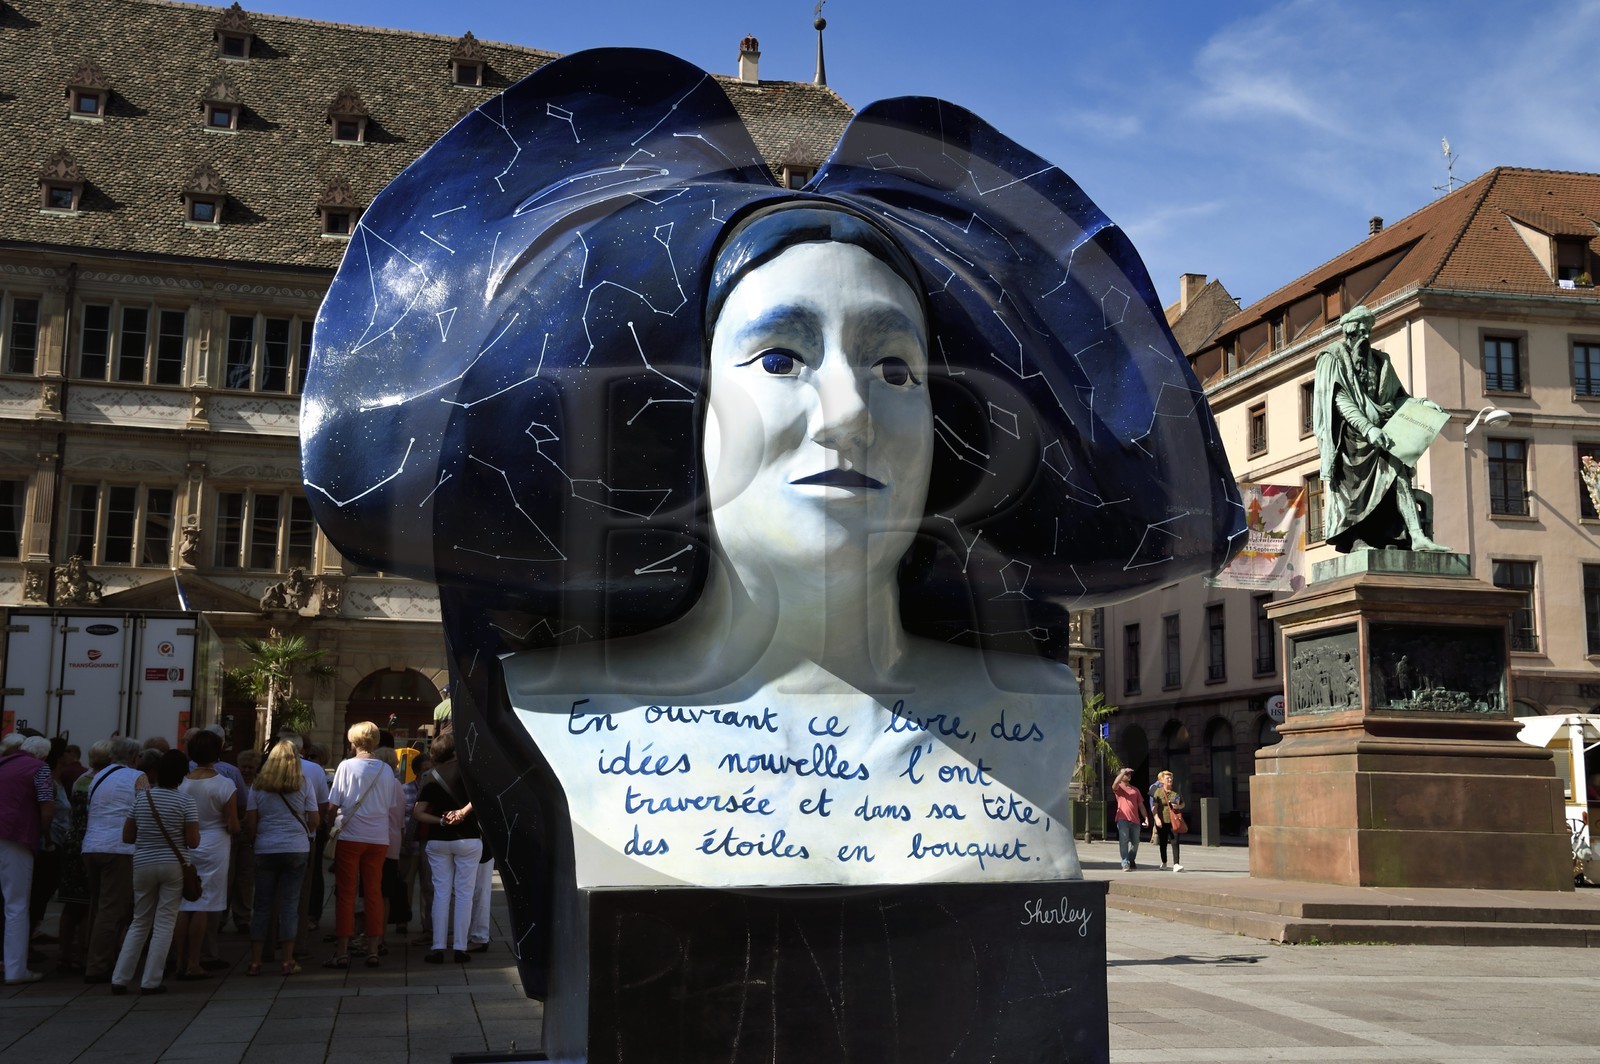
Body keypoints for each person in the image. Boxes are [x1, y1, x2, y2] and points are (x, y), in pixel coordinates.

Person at [302, 49, 1243, 998]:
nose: (848, 411)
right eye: (783, 358)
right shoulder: (558, 709)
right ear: (688, 413)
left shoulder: (1026, 714)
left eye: (894, 368)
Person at [1312, 305, 1448, 553]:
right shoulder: (1332, 357)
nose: (1365, 335)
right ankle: (1356, 538)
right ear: (1349, 331)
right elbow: (1340, 400)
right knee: (1354, 491)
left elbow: (1398, 397)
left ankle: (1416, 536)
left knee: (1398, 474)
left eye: (1368, 330)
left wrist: (1422, 403)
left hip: (1383, 432)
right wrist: (1368, 428)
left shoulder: (1381, 362)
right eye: (1360, 330)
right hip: (1350, 440)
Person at [109, 749, 197, 996]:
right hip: (173, 865)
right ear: (182, 775)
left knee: (139, 920)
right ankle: (151, 981)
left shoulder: (142, 799)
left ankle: (120, 978)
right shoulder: (186, 802)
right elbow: (194, 841)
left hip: (143, 863)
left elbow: (127, 836)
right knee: (165, 922)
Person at [324, 721, 401, 969]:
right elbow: (389, 805)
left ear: (353, 741)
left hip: (351, 835)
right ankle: (373, 948)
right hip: (378, 838)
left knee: (346, 893)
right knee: (374, 892)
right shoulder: (386, 770)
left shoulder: (346, 766)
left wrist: (330, 824)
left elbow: (333, 804)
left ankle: (342, 950)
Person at [244, 740, 319, 977]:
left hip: (265, 848)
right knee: (289, 905)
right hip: (296, 848)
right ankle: (287, 960)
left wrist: (257, 840)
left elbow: (251, 823)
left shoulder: (258, 786)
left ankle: (255, 961)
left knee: (262, 905)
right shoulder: (303, 783)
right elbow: (314, 820)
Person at [173, 729, 237, 979]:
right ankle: (194, 961)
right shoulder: (224, 784)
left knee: (184, 902)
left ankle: (179, 960)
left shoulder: (182, 783)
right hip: (214, 846)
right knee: (203, 903)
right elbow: (232, 824)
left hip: (187, 844)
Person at [82, 735, 144, 984]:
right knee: (112, 909)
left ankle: (94, 956)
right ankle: (98, 965)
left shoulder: (99, 775)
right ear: (134, 757)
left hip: (92, 845)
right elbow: (145, 809)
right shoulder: (137, 777)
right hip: (119, 848)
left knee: (98, 907)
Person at [413, 733, 479, 963]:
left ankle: (438, 946)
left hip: (438, 839)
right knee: (464, 893)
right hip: (468, 838)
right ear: (455, 751)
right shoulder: (468, 771)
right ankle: (460, 947)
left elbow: (418, 812)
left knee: (441, 893)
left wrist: (441, 821)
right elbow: (481, 797)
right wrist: (462, 812)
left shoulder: (430, 776)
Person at [0, 734, 55, 985]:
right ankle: (16, 969)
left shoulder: (3, 762)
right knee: (17, 904)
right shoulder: (39, 768)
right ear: (43, 755)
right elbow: (46, 806)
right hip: (16, 834)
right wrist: (46, 837)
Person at [229, 748, 261, 934]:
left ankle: (242, 917)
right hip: (233, 832)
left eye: (251, 767)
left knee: (245, 877)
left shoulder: (260, 784)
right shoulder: (232, 782)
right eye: (244, 767)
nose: (247, 770)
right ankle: (222, 915)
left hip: (249, 835)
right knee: (228, 875)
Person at [1111, 768, 1150, 872]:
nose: (1128, 775)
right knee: (1124, 841)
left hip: (1135, 820)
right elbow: (1115, 783)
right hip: (1122, 819)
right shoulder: (1119, 788)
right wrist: (1123, 771)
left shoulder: (1135, 790)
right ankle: (1125, 862)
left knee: (1135, 842)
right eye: (1126, 774)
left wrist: (1146, 817)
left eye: (1129, 773)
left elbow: (1141, 805)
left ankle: (1131, 859)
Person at [1152, 770, 1186, 872]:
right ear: (1162, 780)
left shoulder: (1176, 791)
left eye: (1171, 778)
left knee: (1175, 841)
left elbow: (1183, 803)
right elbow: (1154, 807)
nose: (1170, 780)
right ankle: (1164, 861)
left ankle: (1176, 864)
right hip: (1162, 820)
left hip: (1174, 820)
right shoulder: (1158, 791)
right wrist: (1156, 819)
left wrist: (1178, 806)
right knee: (1163, 842)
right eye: (1167, 778)